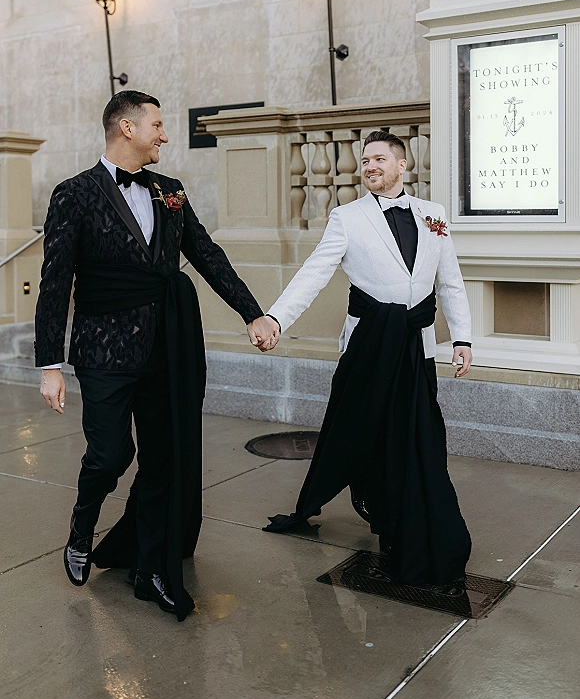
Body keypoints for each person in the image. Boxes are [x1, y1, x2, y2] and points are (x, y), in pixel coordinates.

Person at [35, 90, 276, 621]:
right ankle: (81, 529)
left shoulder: (171, 191)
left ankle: (151, 568)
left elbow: (207, 254)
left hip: (168, 344)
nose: (165, 135)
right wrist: (49, 363)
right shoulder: (73, 194)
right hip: (103, 348)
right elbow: (54, 283)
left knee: (163, 457)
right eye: (157, 125)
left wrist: (252, 312)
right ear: (126, 127)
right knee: (110, 455)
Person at [259, 131, 473, 594]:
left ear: (402, 164)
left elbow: (450, 282)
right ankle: (373, 507)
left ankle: (405, 520)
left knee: (415, 438)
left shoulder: (433, 216)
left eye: (378, 158)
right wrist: (276, 317)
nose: (368, 166)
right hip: (369, 349)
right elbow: (314, 272)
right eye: (364, 160)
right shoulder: (347, 217)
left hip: (417, 348)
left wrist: (462, 338)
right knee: (363, 434)